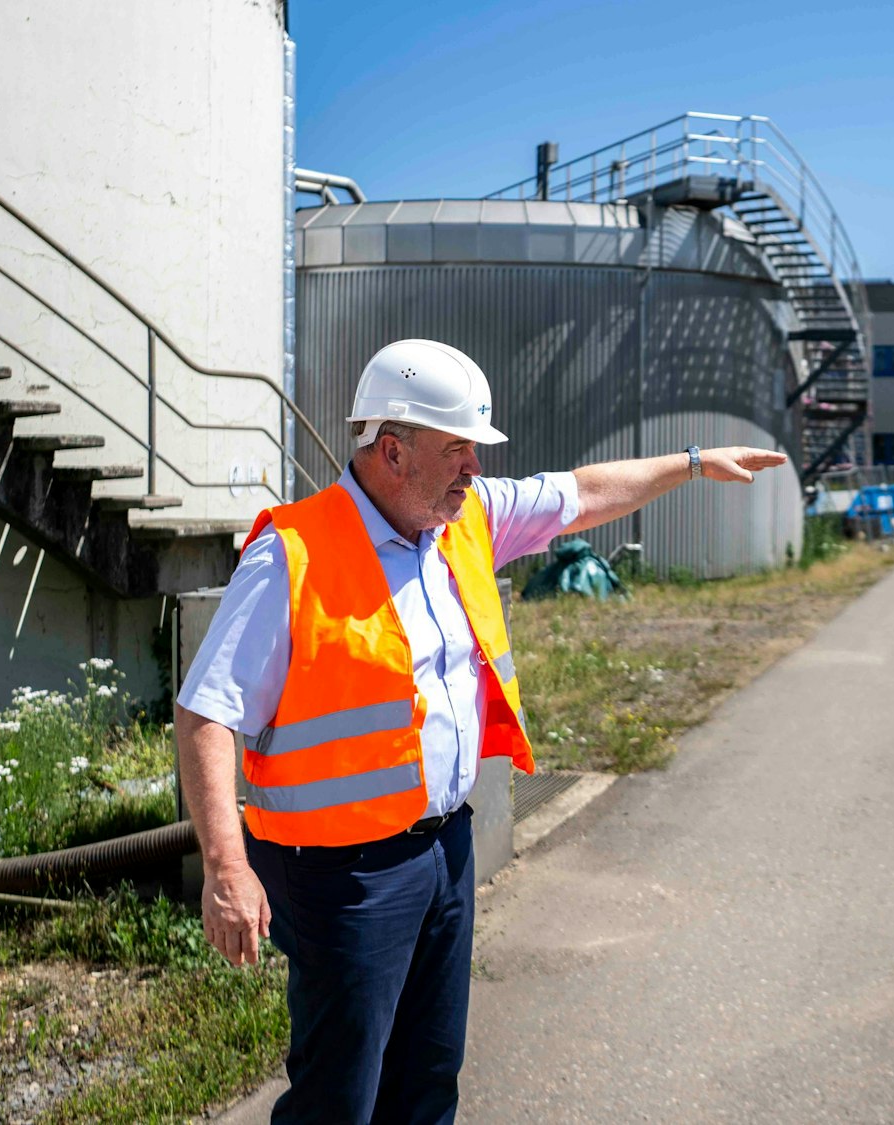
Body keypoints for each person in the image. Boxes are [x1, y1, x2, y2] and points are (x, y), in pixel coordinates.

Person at [174, 338, 787, 1124]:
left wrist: (695, 461)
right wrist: (227, 868)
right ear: (392, 451)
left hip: (445, 852)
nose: (474, 468)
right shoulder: (292, 552)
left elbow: (584, 493)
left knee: (428, 1081)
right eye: (458, 448)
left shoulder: (462, 521)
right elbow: (207, 710)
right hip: (344, 876)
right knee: (340, 1096)